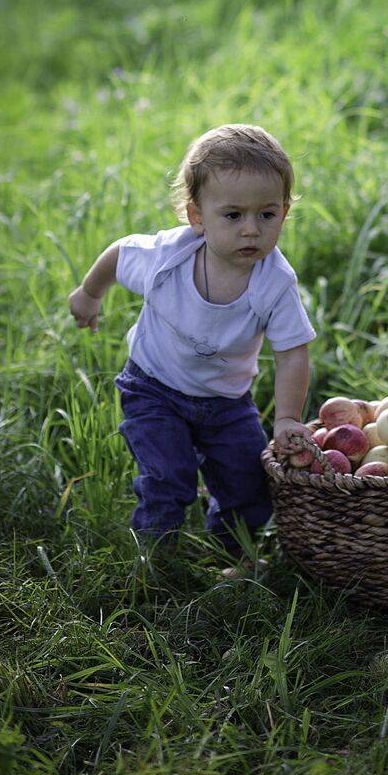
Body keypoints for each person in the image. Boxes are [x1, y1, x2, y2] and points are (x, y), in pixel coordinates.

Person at [68, 124, 314, 560]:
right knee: (169, 477)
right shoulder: (169, 258)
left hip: (226, 401)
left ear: (284, 211)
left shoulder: (275, 282)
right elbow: (120, 253)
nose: (252, 231)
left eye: (267, 215)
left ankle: (229, 553)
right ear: (197, 216)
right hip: (154, 387)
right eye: (233, 215)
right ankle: (154, 557)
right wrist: (90, 294)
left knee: (250, 485)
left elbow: (292, 352)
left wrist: (288, 418)